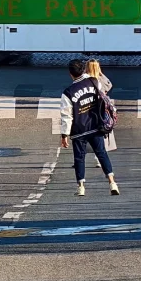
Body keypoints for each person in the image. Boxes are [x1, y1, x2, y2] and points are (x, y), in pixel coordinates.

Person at [59, 58, 119, 197]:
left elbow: (66, 116)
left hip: (79, 129)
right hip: (95, 125)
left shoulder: (68, 92)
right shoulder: (94, 82)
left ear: (70, 74)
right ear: (83, 70)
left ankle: (81, 186)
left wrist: (64, 135)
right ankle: (112, 182)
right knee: (102, 153)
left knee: (79, 158)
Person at [86, 59, 117, 152]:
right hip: (102, 108)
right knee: (102, 131)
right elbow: (109, 85)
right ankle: (100, 157)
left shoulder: (86, 79)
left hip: (89, 107)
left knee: (86, 133)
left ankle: (81, 158)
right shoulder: (101, 79)